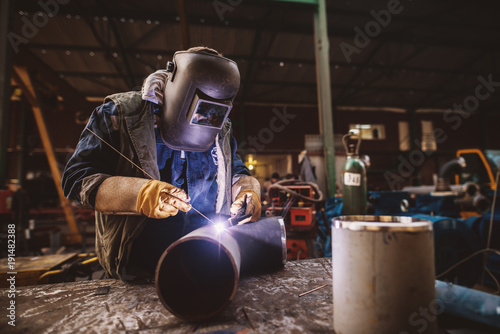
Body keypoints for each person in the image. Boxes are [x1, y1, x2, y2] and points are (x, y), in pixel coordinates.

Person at [62, 46, 261, 282]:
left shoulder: (221, 130)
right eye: (199, 110)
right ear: (178, 89)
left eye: (215, 112)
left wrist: (248, 191)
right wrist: (139, 194)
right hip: (138, 273)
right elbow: (77, 179)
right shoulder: (119, 114)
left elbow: (235, 172)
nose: (206, 119)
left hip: (205, 266)